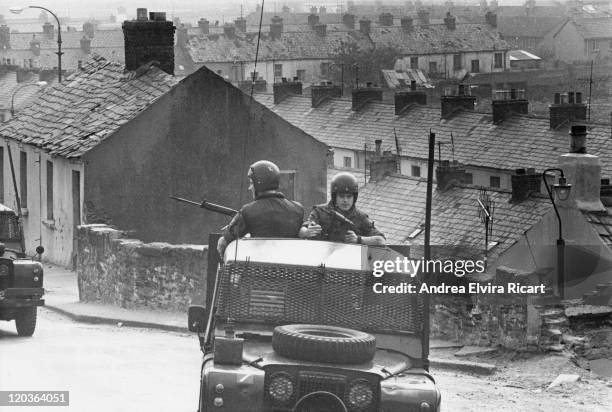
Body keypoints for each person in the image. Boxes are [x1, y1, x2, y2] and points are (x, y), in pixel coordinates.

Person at [217, 160, 304, 256]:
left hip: (258, 268)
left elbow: (223, 243)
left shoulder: (248, 211)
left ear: (259, 184)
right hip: (290, 267)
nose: (249, 188)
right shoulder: (298, 209)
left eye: (251, 183)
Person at [299, 172, 385, 245]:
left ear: (354, 197)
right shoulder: (320, 212)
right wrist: (307, 232)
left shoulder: (360, 217)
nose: (345, 200)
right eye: (341, 196)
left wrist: (359, 239)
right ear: (334, 196)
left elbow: (381, 240)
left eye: (349, 196)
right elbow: (302, 231)